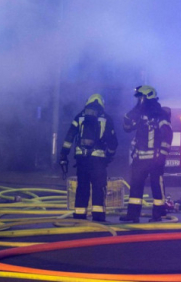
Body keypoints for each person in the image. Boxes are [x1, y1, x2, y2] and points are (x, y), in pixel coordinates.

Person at [59, 93, 118, 222]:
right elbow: (113, 142)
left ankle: (79, 216)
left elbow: (69, 137)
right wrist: (109, 155)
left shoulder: (80, 117)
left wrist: (64, 155)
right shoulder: (106, 118)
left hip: (82, 160)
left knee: (82, 187)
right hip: (98, 161)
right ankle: (98, 217)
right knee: (99, 187)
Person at [120, 85, 172, 223]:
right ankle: (132, 214)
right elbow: (127, 128)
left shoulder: (161, 115)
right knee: (135, 186)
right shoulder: (140, 114)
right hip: (140, 159)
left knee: (157, 186)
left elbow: (167, 135)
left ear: (148, 97)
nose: (139, 101)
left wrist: (162, 155)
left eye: (141, 98)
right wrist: (133, 112)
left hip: (155, 159)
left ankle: (158, 214)